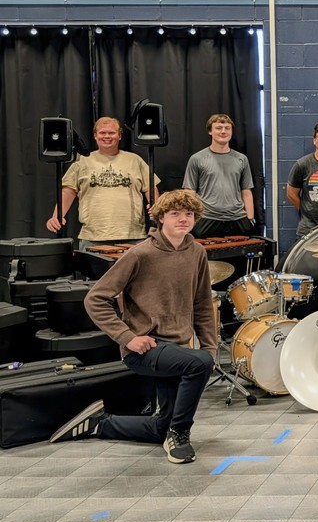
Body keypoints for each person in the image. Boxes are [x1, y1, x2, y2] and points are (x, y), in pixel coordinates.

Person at [49, 189, 216, 464]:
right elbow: (96, 299)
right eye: (175, 214)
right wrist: (127, 337)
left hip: (178, 349)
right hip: (145, 348)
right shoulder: (141, 254)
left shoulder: (196, 252)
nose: (183, 219)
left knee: (161, 424)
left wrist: (209, 347)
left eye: (189, 214)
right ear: (161, 218)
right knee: (198, 364)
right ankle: (180, 432)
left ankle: (101, 424)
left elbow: (201, 304)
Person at [45, 117, 160, 249]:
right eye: (102, 133)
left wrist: (156, 206)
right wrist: (57, 216)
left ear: (120, 135)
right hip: (93, 237)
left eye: (111, 133)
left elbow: (150, 187)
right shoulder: (82, 161)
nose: (107, 136)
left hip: (133, 236)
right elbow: (68, 190)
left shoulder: (135, 160)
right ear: (95, 136)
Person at [183, 113, 256, 239]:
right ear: (210, 131)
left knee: (239, 257)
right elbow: (189, 192)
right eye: (218, 128)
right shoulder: (197, 159)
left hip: (238, 219)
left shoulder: (241, 159)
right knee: (207, 258)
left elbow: (246, 191)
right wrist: (191, 219)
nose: (223, 131)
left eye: (227, 128)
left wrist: (250, 219)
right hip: (206, 218)